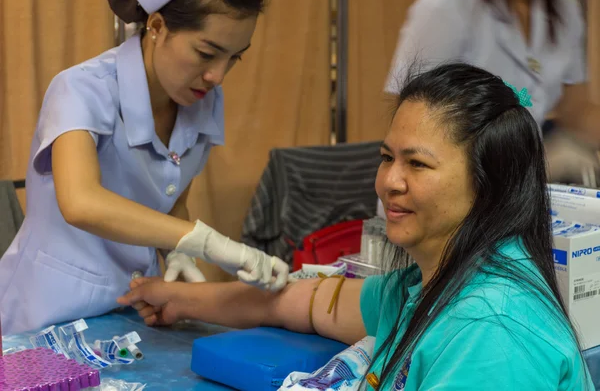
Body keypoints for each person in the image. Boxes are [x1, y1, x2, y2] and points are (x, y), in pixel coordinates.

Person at [119, 63, 594, 389]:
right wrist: (178, 298)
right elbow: (301, 304)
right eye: (387, 158)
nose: (389, 182)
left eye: (418, 165)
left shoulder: (492, 331)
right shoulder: (431, 283)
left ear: (489, 184)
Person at [0, 0, 289, 336]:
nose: (217, 76)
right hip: (48, 313)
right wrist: (209, 243)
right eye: (206, 53)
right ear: (156, 25)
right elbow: (80, 203)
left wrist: (176, 253)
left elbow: (173, 200)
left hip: (132, 312)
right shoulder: (81, 89)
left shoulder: (203, 101)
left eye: (234, 59)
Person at [385, 0, 600, 184]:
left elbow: (576, 109)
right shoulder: (447, 5)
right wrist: (525, 164)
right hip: (446, 192)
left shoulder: (563, 10)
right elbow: (410, 122)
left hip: (518, 191)